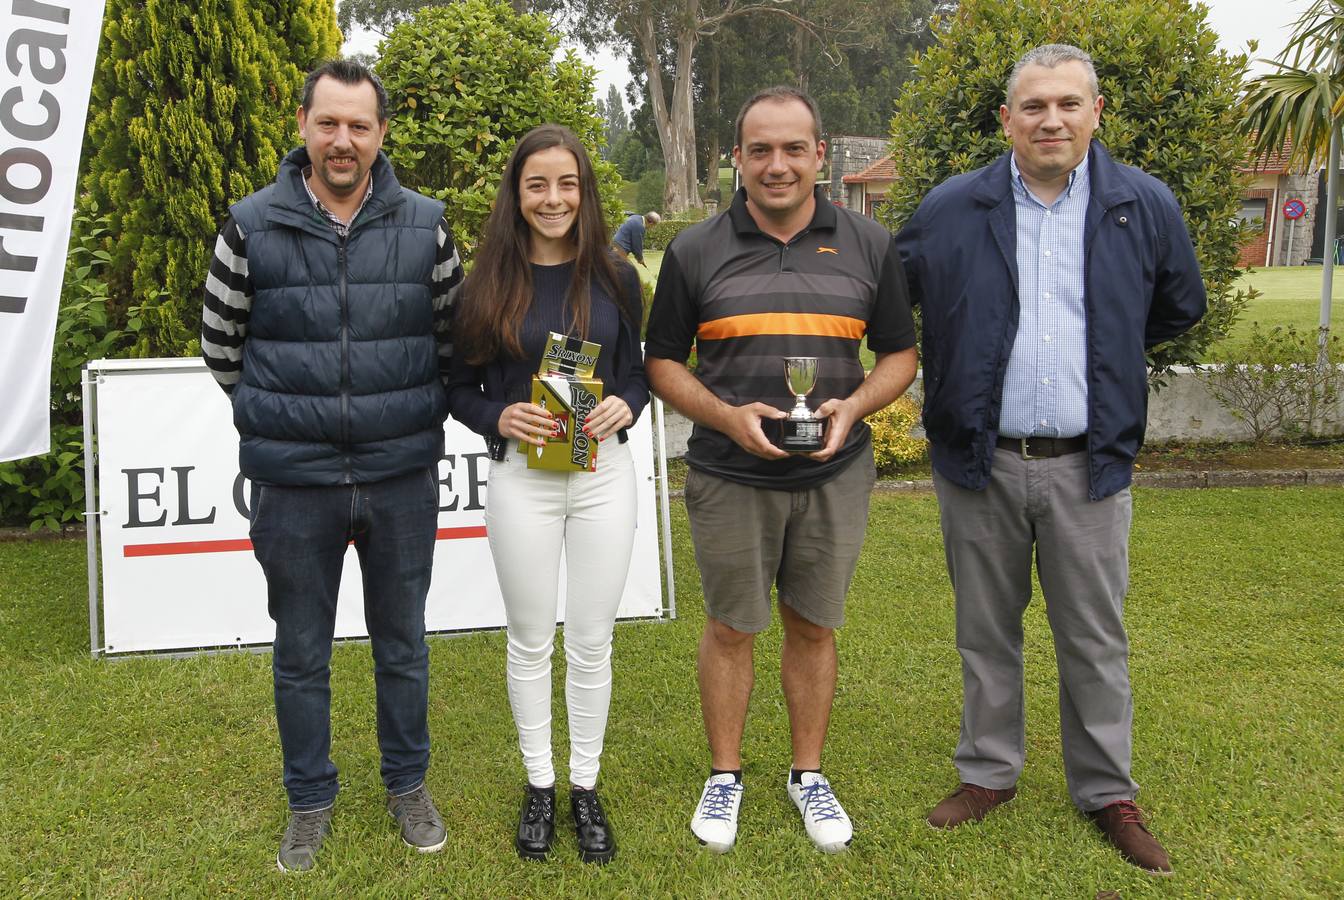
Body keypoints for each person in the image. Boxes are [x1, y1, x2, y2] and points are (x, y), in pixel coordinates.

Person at [894, 44, 1206, 875]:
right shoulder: (953, 207)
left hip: (1089, 465)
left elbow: (1180, 304)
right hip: (979, 462)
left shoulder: (1141, 204)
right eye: (1033, 106)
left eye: (1069, 103)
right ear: (1006, 119)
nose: (1051, 119)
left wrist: (1102, 351)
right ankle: (990, 773)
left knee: (1094, 638)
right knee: (984, 632)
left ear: (1096, 112)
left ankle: (1107, 791)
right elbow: (896, 297)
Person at [200, 59, 461, 873]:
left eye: (359, 125)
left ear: (382, 134)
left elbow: (452, 341)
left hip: (400, 475)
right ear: (304, 126)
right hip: (294, 483)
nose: (342, 140)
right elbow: (221, 347)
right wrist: (282, 416)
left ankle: (407, 785)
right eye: (329, 123)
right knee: (301, 652)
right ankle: (309, 799)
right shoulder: (249, 224)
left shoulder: (428, 223)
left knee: (403, 645)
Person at [644, 87, 918, 854]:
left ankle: (808, 775)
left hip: (834, 476)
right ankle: (725, 775)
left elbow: (899, 354)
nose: (777, 165)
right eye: (759, 149)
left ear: (820, 154)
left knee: (814, 625)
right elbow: (661, 360)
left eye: (793, 148)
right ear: (737, 158)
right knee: (731, 627)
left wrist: (853, 407)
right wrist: (728, 417)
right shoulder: (696, 249)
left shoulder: (869, 243)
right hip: (730, 476)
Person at [445, 124, 648, 864]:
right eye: (537, 184)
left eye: (567, 183)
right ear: (517, 193)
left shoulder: (618, 276)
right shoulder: (487, 282)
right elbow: (457, 390)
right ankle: (539, 784)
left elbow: (635, 374)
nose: (553, 198)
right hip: (522, 481)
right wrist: (498, 414)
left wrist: (630, 404)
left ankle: (584, 787)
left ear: (585, 191)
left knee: (591, 641)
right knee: (530, 641)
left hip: (603, 478)